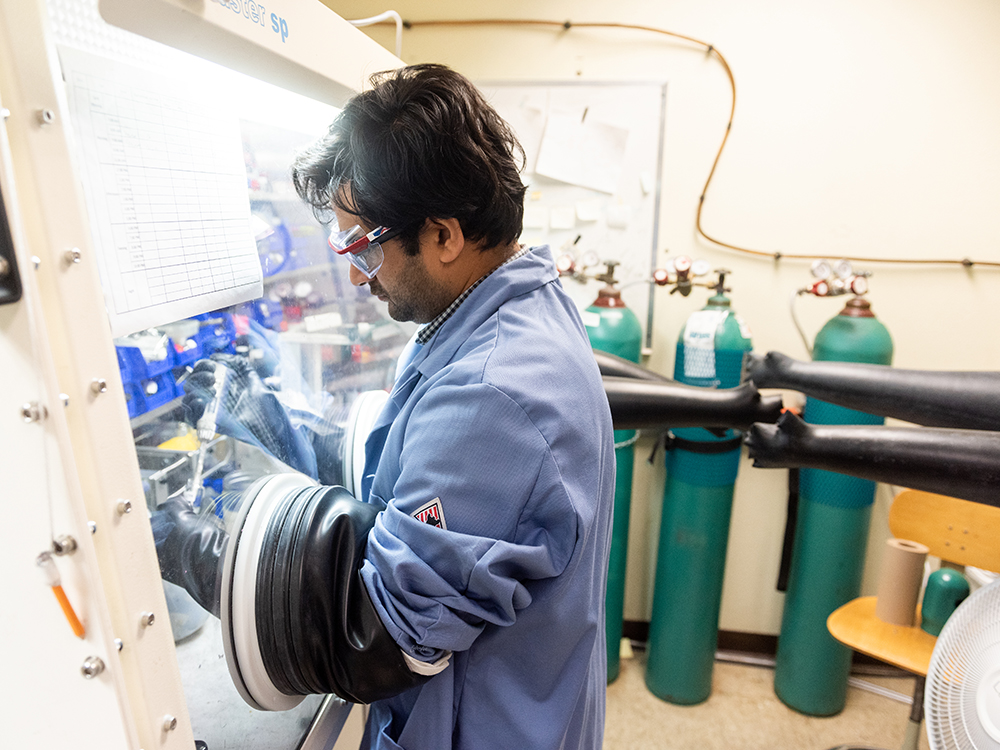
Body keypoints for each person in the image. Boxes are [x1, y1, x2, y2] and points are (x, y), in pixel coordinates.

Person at [290, 64, 615, 750]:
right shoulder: (504, 307)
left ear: (442, 235)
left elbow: (380, 640)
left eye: (362, 245)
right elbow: (411, 463)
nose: (355, 272)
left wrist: (215, 546)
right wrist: (281, 430)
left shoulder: (492, 391)